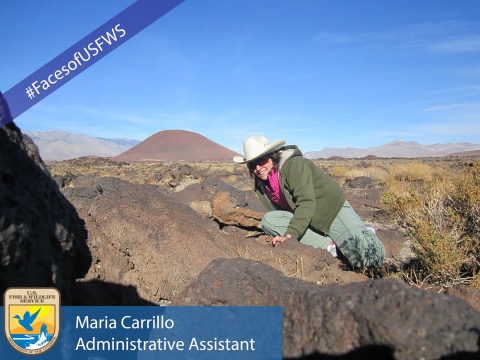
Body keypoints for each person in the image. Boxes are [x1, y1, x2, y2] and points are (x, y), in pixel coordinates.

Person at [233, 135, 385, 269]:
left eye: (262, 160)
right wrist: (290, 233)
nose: (258, 168)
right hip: (306, 219)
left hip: (330, 212)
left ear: (272, 156)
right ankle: (330, 246)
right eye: (253, 165)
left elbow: (305, 202)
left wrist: (290, 235)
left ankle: (366, 232)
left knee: (368, 259)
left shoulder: (294, 166)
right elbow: (279, 213)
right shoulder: (262, 184)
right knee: (269, 221)